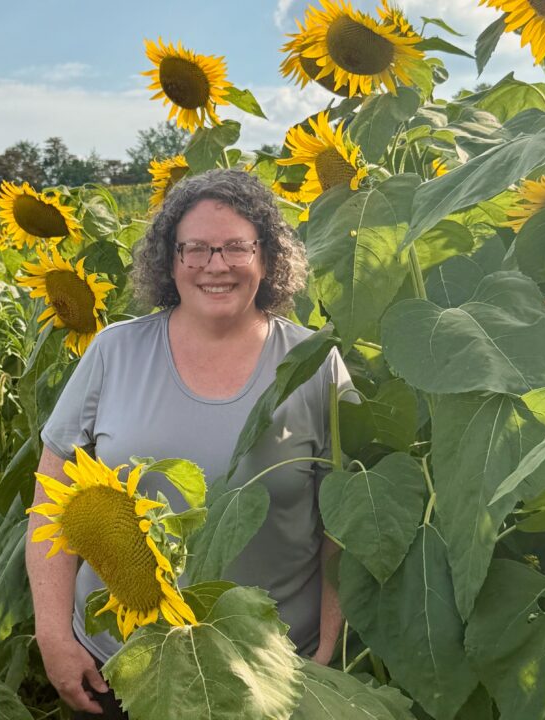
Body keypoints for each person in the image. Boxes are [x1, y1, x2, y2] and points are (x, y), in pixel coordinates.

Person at [25, 168, 352, 718]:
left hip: (267, 673)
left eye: (235, 247)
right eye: (194, 248)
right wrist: (54, 635)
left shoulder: (316, 363)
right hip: (119, 665)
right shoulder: (115, 352)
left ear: (268, 257)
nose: (214, 265)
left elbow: (343, 522)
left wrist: (331, 641)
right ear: (169, 261)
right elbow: (50, 502)